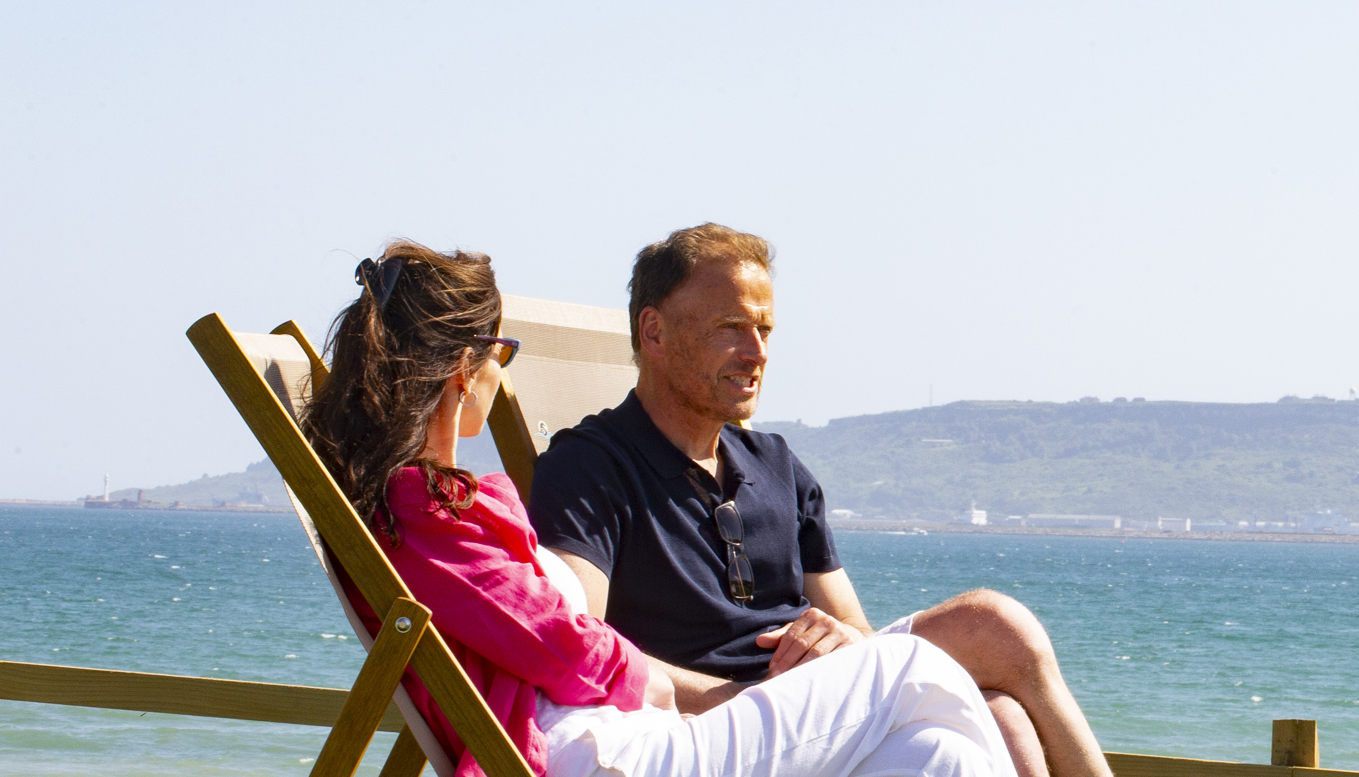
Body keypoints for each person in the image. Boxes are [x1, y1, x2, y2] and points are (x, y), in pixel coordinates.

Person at [300, 241, 1012, 777]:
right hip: (606, 754)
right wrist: (711, 696)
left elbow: (559, 632)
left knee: (937, 754)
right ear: (468, 366)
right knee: (911, 666)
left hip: (624, 736)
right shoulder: (424, 513)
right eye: (502, 355)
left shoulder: (429, 509)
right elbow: (562, 643)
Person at [527, 224, 1109, 777]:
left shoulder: (775, 465)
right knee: (997, 625)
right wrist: (731, 698)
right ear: (653, 332)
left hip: (814, 720)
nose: (756, 352)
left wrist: (838, 639)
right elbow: (579, 646)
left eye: (765, 330)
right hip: (707, 729)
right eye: (731, 327)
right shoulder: (589, 468)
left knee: (991, 724)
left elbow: (855, 632)